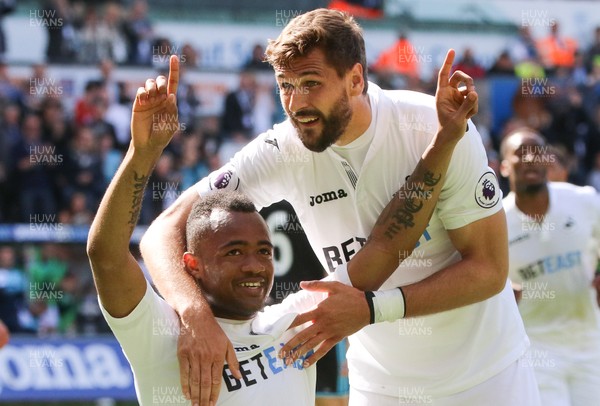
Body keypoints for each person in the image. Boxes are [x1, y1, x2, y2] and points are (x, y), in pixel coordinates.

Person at [140, 9, 537, 406]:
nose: (295, 104)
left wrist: (372, 309)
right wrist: (194, 313)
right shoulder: (283, 149)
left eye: (311, 83)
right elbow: (162, 231)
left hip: (489, 377)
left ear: (356, 79)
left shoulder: (435, 126)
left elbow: (488, 270)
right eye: (285, 86)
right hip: (381, 387)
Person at [88, 53, 470, 404]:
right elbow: (105, 254)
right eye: (234, 252)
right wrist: (143, 153)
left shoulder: (292, 324)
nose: (255, 264)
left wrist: (444, 140)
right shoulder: (162, 335)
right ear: (192, 264)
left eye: (264, 251)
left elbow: (385, 247)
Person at [500, 128, 600, 406]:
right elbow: (483, 274)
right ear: (504, 166)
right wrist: (503, 289)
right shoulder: (497, 223)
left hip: (591, 342)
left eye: (538, 152)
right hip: (536, 348)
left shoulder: (582, 200)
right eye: (521, 153)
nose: (531, 158)